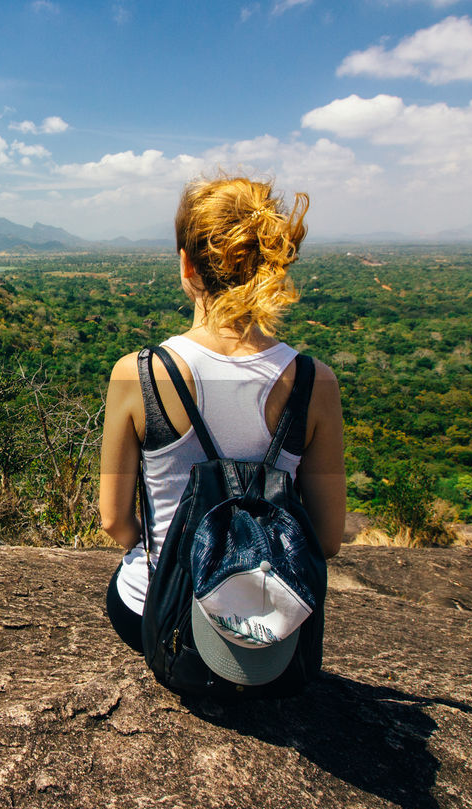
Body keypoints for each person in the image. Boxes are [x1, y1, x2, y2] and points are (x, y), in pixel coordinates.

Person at [98, 174, 346, 665]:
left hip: (157, 613)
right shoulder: (315, 382)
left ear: (187, 264)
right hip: (268, 635)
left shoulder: (140, 374)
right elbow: (328, 537)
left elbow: (114, 522)